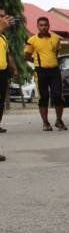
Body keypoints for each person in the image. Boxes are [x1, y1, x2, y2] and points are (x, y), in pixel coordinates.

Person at [24, 16, 66, 131]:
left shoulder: (56, 39)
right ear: (37, 26)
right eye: (41, 25)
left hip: (54, 71)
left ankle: (59, 120)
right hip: (40, 71)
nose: (43, 27)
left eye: (45, 25)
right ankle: (46, 123)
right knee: (44, 97)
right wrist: (37, 62)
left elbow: (56, 52)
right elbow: (27, 55)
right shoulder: (32, 40)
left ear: (49, 26)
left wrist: (52, 62)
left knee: (58, 96)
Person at [0, 10, 17, 160]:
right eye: (1, 16)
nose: (4, 19)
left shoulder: (3, 37)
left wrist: (13, 68)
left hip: (2, 74)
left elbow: (7, 54)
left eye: (4, 16)